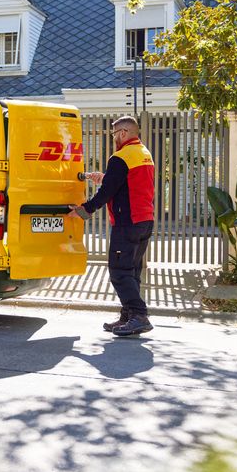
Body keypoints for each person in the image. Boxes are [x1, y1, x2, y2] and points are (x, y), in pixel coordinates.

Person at [69, 116, 155, 337]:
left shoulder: (120, 157)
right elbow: (126, 182)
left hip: (127, 222)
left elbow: (107, 192)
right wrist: (106, 177)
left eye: (114, 134)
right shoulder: (144, 154)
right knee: (132, 270)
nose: (114, 138)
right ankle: (127, 317)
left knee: (119, 272)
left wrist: (84, 209)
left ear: (124, 133)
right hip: (144, 220)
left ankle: (139, 315)